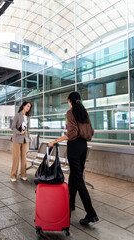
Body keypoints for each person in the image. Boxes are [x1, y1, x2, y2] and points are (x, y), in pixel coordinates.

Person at [49, 91, 99, 225]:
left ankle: (91, 213)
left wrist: (55, 140)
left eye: (68, 100)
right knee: (74, 176)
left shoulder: (70, 113)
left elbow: (72, 133)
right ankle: (70, 204)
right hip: (83, 146)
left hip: (74, 147)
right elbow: (91, 131)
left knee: (78, 179)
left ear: (70, 101)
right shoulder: (84, 112)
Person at [10, 101, 32, 182]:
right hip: (17, 139)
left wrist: (28, 137)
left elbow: (28, 129)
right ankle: (13, 175)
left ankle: (23, 174)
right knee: (16, 157)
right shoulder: (17, 115)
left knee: (24, 157)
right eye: (27, 106)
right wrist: (20, 132)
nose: (28, 108)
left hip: (25, 139)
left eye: (29, 106)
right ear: (23, 106)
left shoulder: (28, 117)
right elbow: (13, 127)